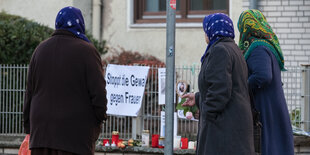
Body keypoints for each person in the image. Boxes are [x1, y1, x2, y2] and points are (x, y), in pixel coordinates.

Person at [23, 6, 108, 155]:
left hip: (40, 134)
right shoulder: (87, 51)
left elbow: (30, 92)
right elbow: (98, 93)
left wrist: (29, 128)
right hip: (74, 136)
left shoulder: (40, 50)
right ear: (80, 24)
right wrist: (99, 118)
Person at [181, 13, 255, 155]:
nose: (205, 36)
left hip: (223, 128)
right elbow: (229, 86)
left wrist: (206, 113)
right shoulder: (233, 49)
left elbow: (220, 91)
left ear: (212, 31)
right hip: (234, 125)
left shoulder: (220, 50)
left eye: (205, 31)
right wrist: (197, 98)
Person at [238, 9, 294, 155]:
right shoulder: (266, 44)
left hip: (265, 105)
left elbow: (263, 76)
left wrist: (242, 87)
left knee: (269, 145)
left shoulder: (258, 47)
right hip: (271, 103)